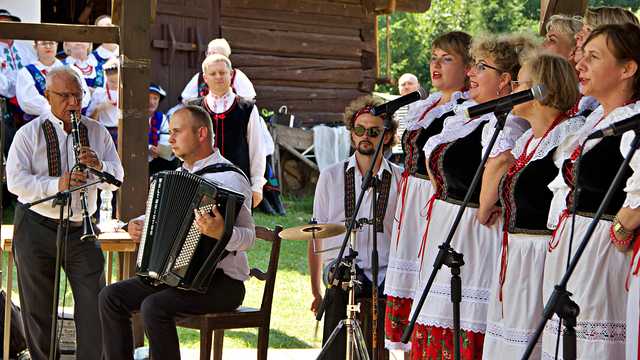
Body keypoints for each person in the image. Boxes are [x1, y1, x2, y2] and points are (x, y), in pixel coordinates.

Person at [411, 33, 535, 359]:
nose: (472, 73)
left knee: (462, 320)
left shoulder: (507, 122)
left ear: (505, 79)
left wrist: (483, 208)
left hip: (473, 237)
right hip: (446, 226)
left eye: (481, 67)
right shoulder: (467, 116)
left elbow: (503, 161)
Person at [99, 105, 255, 360]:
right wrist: (138, 224)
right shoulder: (178, 176)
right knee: (111, 296)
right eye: (169, 132)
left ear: (201, 133)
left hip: (222, 283)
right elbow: (160, 216)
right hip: (175, 277)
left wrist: (222, 233)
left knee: (154, 306)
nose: (169, 139)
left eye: (177, 132)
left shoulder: (230, 179)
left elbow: (249, 238)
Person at [5, 66, 123, 359]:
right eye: (64, 95)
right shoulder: (27, 134)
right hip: (35, 226)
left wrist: (99, 167)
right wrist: (57, 183)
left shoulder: (96, 132)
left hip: (81, 228)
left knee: (94, 306)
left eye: (78, 95)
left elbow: (118, 175)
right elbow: (15, 182)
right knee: (38, 310)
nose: (73, 102)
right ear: (47, 96)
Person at [543, 23, 640, 360]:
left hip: (604, 254)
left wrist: (623, 225)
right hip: (576, 249)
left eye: (593, 57)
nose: (580, 65)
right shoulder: (597, 121)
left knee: (593, 347)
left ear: (627, 68)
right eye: (581, 57)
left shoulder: (633, 124)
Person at [481, 53, 584, 359]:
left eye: (518, 83)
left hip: (541, 260)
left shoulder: (568, 136)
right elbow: (487, 204)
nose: (511, 89)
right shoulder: (527, 140)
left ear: (541, 89)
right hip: (515, 259)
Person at [383, 31, 471, 353]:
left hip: (432, 201)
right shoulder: (429, 105)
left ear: (467, 67)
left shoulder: (467, 111)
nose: (436, 65)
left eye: (446, 59)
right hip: (412, 199)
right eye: (434, 57)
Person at [309, 95, 402, 359]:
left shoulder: (400, 180)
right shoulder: (330, 176)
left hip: (386, 272)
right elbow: (315, 235)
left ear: (387, 136)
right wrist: (316, 291)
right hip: (342, 269)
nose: (365, 136)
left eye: (374, 131)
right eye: (359, 130)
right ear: (351, 134)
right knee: (340, 282)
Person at [189, 54, 267, 207]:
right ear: (205, 78)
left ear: (231, 75)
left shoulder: (247, 108)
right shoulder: (194, 109)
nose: (218, 77)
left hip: (238, 186)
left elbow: (257, 149)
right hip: (201, 186)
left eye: (222, 72)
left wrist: (257, 185)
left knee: (238, 230)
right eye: (213, 73)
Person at [16, 40, 91, 119]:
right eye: (44, 43)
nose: (48, 46)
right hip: (41, 123)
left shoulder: (72, 69)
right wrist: (60, 109)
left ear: (57, 45)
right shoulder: (26, 72)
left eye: (51, 43)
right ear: (35, 46)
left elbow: (85, 97)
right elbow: (28, 102)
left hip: (72, 121)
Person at [0, 9, 37, 154]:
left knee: (29, 145)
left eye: (8, 24)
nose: (5, 28)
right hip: (5, 105)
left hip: (28, 102)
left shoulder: (25, 48)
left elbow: (34, 71)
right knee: (9, 145)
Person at [181, 38, 256, 102]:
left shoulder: (236, 75)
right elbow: (186, 99)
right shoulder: (200, 77)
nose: (209, 56)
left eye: (213, 53)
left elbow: (248, 99)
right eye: (208, 53)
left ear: (224, 56)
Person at [147, 83, 179, 174]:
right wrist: (148, 148)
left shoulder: (161, 118)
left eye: (155, 98)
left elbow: (165, 139)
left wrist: (161, 150)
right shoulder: (135, 117)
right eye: (148, 97)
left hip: (156, 160)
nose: (152, 102)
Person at [87, 58, 120, 145]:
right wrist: (99, 109)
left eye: (118, 81)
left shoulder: (126, 93)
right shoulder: (99, 93)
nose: (116, 85)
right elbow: (89, 119)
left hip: (121, 131)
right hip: (104, 131)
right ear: (106, 77)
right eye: (112, 82)